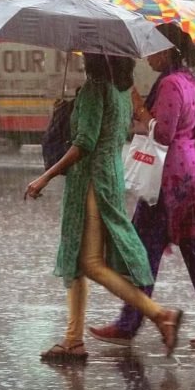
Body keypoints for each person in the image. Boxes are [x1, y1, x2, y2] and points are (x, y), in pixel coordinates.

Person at [25, 52, 183, 360]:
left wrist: (44, 177)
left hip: (91, 182)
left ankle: (159, 314)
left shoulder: (95, 89)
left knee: (91, 263)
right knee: (77, 260)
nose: (83, 59)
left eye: (87, 56)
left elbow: (84, 142)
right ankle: (73, 339)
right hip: (110, 175)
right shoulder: (122, 90)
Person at [89, 23, 195, 348]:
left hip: (170, 181)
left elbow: (163, 134)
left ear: (168, 49)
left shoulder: (170, 84)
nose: (146, 54)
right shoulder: (193, 81)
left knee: (142, 251)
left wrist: (139, 109)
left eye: (151, 46)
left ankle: (129, 322)